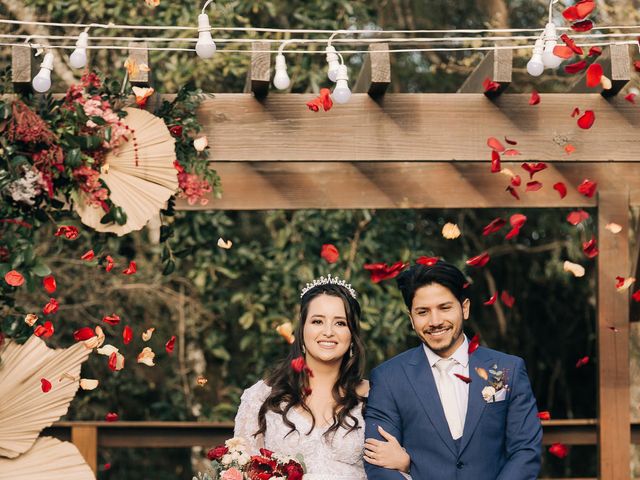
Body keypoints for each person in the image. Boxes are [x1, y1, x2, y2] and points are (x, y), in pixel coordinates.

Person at [364, 261, 542, 479]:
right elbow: (378, 464)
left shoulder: (504, 370)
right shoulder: (388, 378)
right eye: (423, 312)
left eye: (445, 308)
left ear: (464, 308)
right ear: (411, 318)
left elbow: (525, 450)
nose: (435, 321)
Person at [234, 275, 409, 479]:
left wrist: (406, 464)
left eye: (340, 323)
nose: (328, 332)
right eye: (317, 321)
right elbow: (242, 469)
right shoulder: (261, 396)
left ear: (352, 334)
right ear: (303, 329)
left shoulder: (378, 395)